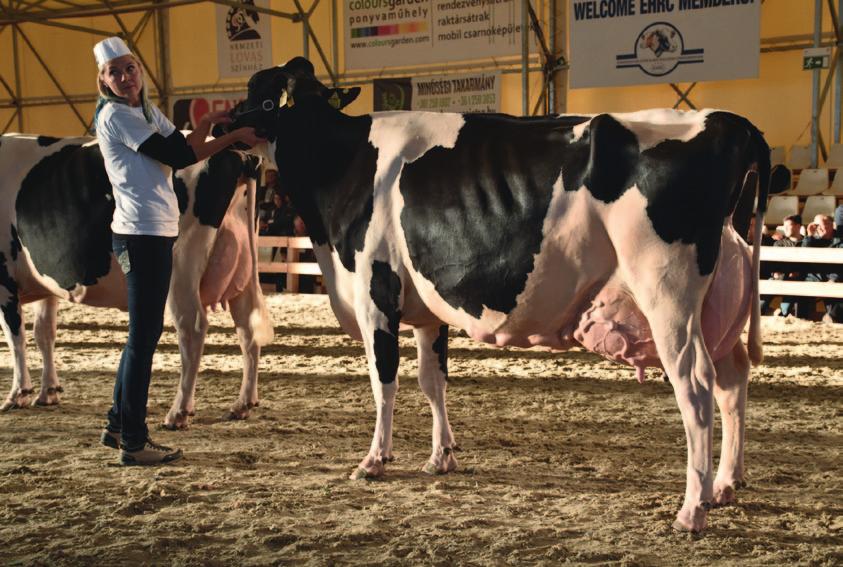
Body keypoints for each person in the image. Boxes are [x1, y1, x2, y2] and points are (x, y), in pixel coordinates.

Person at [93, 37, 264, 465]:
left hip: (156, 233)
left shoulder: (146, 112)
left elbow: (187, 151)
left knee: (142, 336)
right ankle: (133, 440)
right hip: (140, 235)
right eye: (115, 72)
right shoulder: (117, 116)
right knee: (144, 337)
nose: (125, 77)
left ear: (139, 71)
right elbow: (173, 153)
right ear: (104, 80)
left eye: (130, 68)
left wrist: (211, 121)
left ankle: (118, 424)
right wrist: (235, 136)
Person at [801, 212, 843, 323]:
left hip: (837, 276)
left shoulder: (840, 239)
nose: (818, 228)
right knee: (801, 287)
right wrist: (809, 235)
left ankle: (832, 317)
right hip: (816, 276)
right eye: (816, 226)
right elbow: (803, 254)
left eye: (821, 225)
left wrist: (834, 278)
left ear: (830, 225)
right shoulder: (813, 239)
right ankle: (801, 319)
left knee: (837, 289)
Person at [772, 214, 804, 317]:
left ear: (798, 226)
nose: (785, 228)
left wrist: (797, 273)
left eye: (788, 225)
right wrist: (776, 273)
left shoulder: (806, 242)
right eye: (784, 226)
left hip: (800, 277)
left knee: (793, 285)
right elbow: (773, 264)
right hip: (780, 276)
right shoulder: (779, 243)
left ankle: (784, 313)